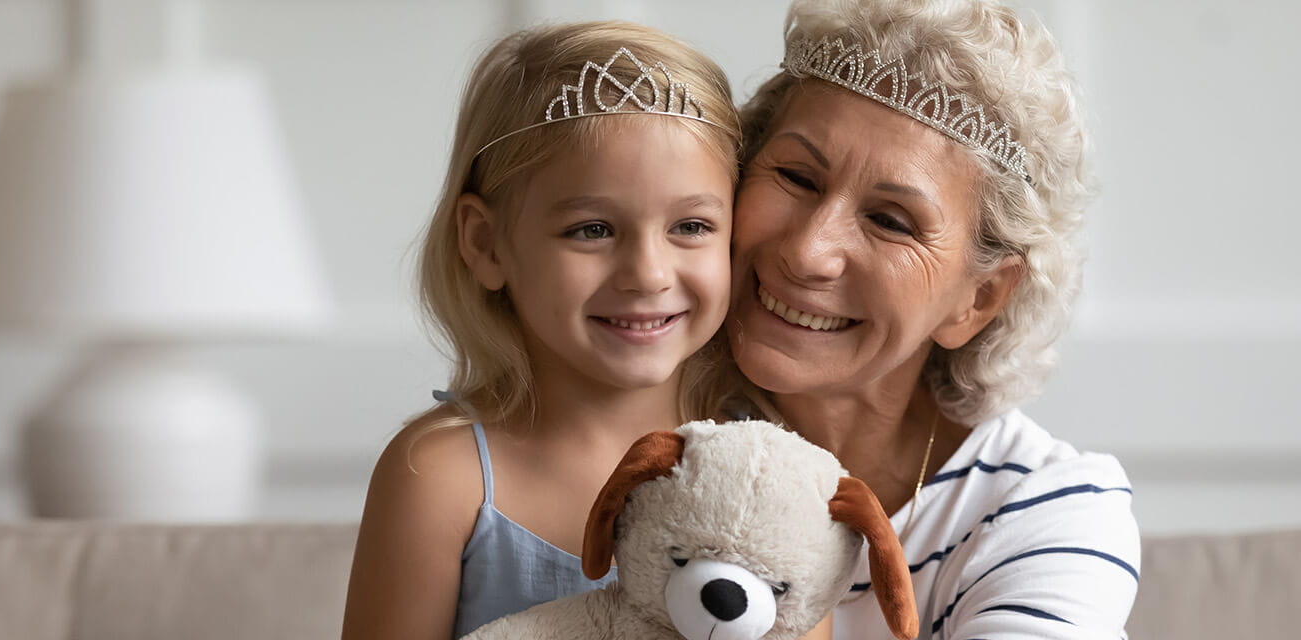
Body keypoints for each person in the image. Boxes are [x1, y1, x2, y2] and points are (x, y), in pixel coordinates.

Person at [727, 0, 1141, 637]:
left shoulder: (1042, 508)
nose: (808, 250)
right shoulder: (623, 420)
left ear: (976, 301)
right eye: (796, 176)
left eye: (891, 221)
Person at [340, 21, 744, 639]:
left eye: (690, 226)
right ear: (485, 243)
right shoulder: (442, 479)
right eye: (592, 230)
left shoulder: (764, 457)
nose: (648, 274)